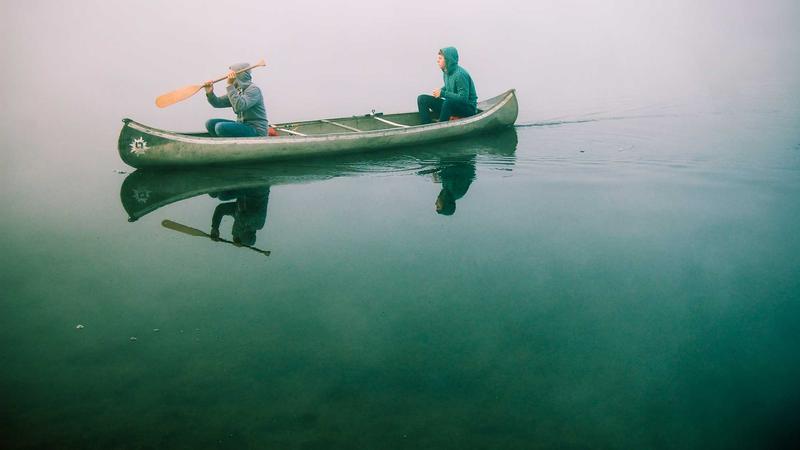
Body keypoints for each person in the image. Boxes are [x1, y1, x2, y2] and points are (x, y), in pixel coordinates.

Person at [204, 62, 268, 137]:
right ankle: (222, 145)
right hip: (242, 125)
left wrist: (230, 86)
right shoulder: (237, 91)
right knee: (210, 123)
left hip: (256, 129)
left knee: (220, 127)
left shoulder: (253, 90)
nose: (230, 78)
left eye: (233, 75)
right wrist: (210, 93)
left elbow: (239, 107)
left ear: (241, 75)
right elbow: (217, 103)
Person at [417, 47, 478, 124]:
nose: (437, 61)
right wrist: (441, 91)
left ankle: (439, 126)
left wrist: (442, 93)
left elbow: (463, 98)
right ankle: (426, 126)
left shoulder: (460, 75)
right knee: (422, 99)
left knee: (448, 102)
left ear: (448, 60)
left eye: (440, 58)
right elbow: (449, 87)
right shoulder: (446, 72)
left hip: (468, 109)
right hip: (453, 105)